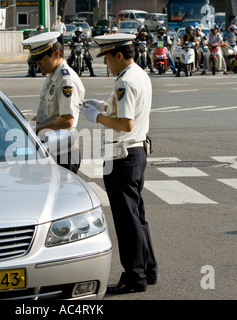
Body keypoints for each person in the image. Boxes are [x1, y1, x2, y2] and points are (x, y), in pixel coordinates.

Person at [80, 33, 157, 293]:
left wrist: (97, 117)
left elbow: (125, 123)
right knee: (137, 217)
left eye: (107, 58)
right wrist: (101, 106)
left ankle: (135, 276)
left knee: (126, 221)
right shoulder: (139, 75)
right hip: (136, 152)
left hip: (122, 156)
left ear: (119, 55)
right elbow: (128, 110)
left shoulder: (124, 82)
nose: (106, 64)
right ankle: (148, 269)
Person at [21, 32, 85, 173]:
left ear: (56, 54)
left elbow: (68, 120)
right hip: (51, 147)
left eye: (41, 59)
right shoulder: (52, 75)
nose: (37, 64)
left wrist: (36, 131)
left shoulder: (66, 81)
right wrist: (27, 127)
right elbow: (47, 114)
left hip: (62, 151)